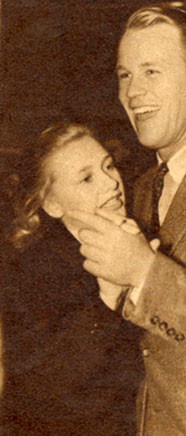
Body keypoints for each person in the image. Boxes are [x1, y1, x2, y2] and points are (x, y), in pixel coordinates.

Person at [64, 4, 186, 436]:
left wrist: (144, 272)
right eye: (125, 75)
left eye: (152, 71)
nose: (132, 92)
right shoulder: (142, 187)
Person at [1, 122, 143, 436]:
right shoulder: (32, 272)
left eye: (109, 166)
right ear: (52, 204)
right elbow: (36, 381)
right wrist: (108, 299)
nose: (111, 183)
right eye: (86, 178)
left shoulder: (139, 239)